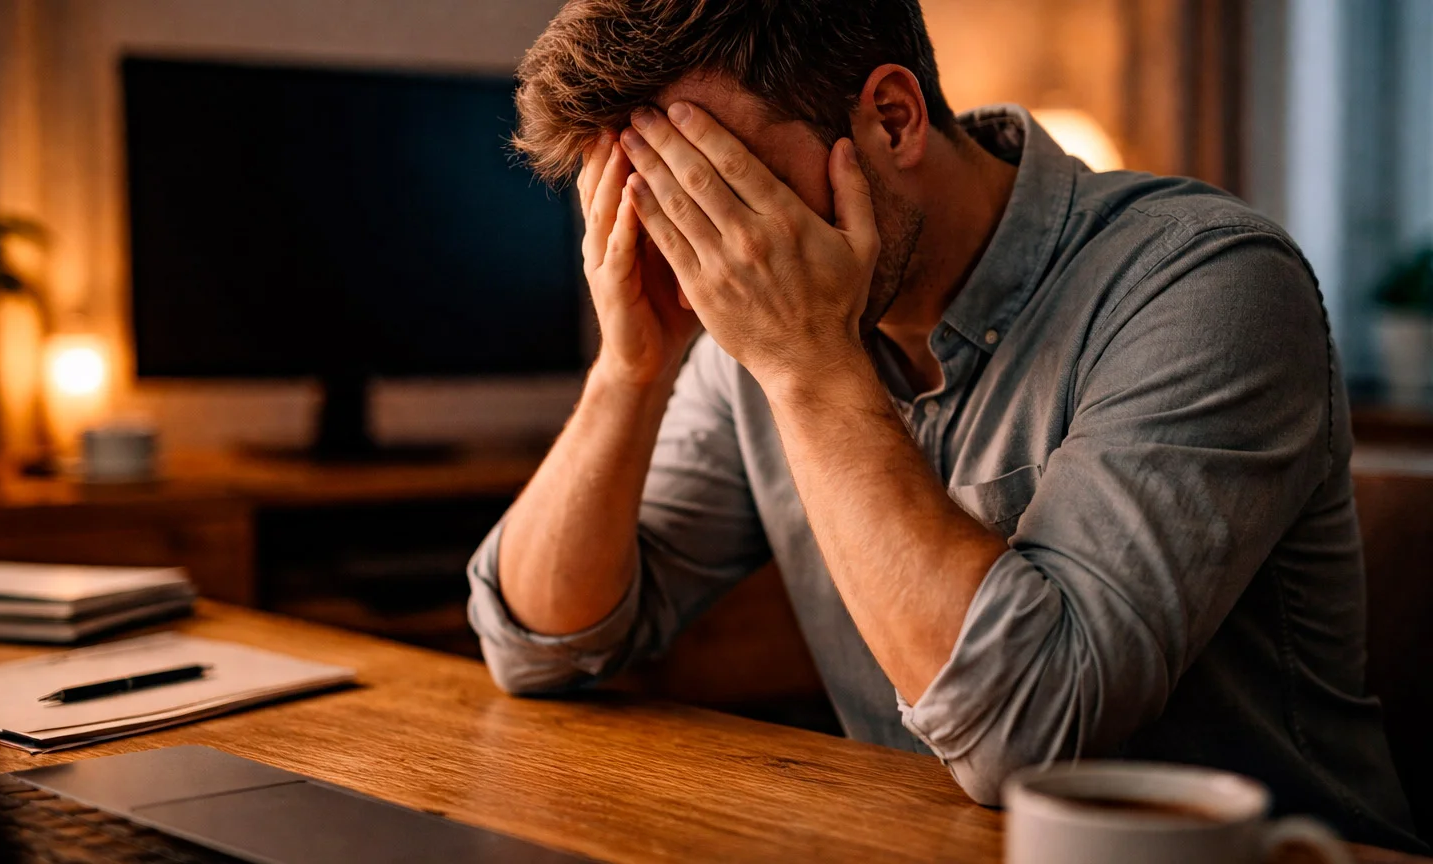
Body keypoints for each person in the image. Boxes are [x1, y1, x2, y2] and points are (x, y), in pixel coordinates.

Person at [465, 0, 1422, 849]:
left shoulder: (1205, 279)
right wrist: (631, 367)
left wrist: (807, 368)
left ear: (892, 118)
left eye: (725, 186)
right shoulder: (753, 327)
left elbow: (1030, 732)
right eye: (657, 196)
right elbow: (538, 645)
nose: (705, 243)